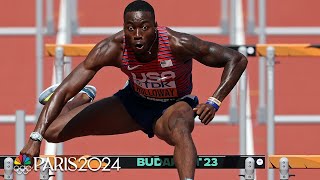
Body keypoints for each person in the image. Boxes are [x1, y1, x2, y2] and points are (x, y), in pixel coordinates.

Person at [20, 0, 248, 179]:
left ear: (155, 28)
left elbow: (236, 60)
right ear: (124, 29)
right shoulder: (112, 48)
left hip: (174, 106)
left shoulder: (178, 44)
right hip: (132, 103)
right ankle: (82, 98)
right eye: (131, 29)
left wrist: (214, 101)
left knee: (180, 128)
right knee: (52, 132)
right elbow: (64, 89)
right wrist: (35, 137)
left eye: (144, 28)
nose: (137, 35)